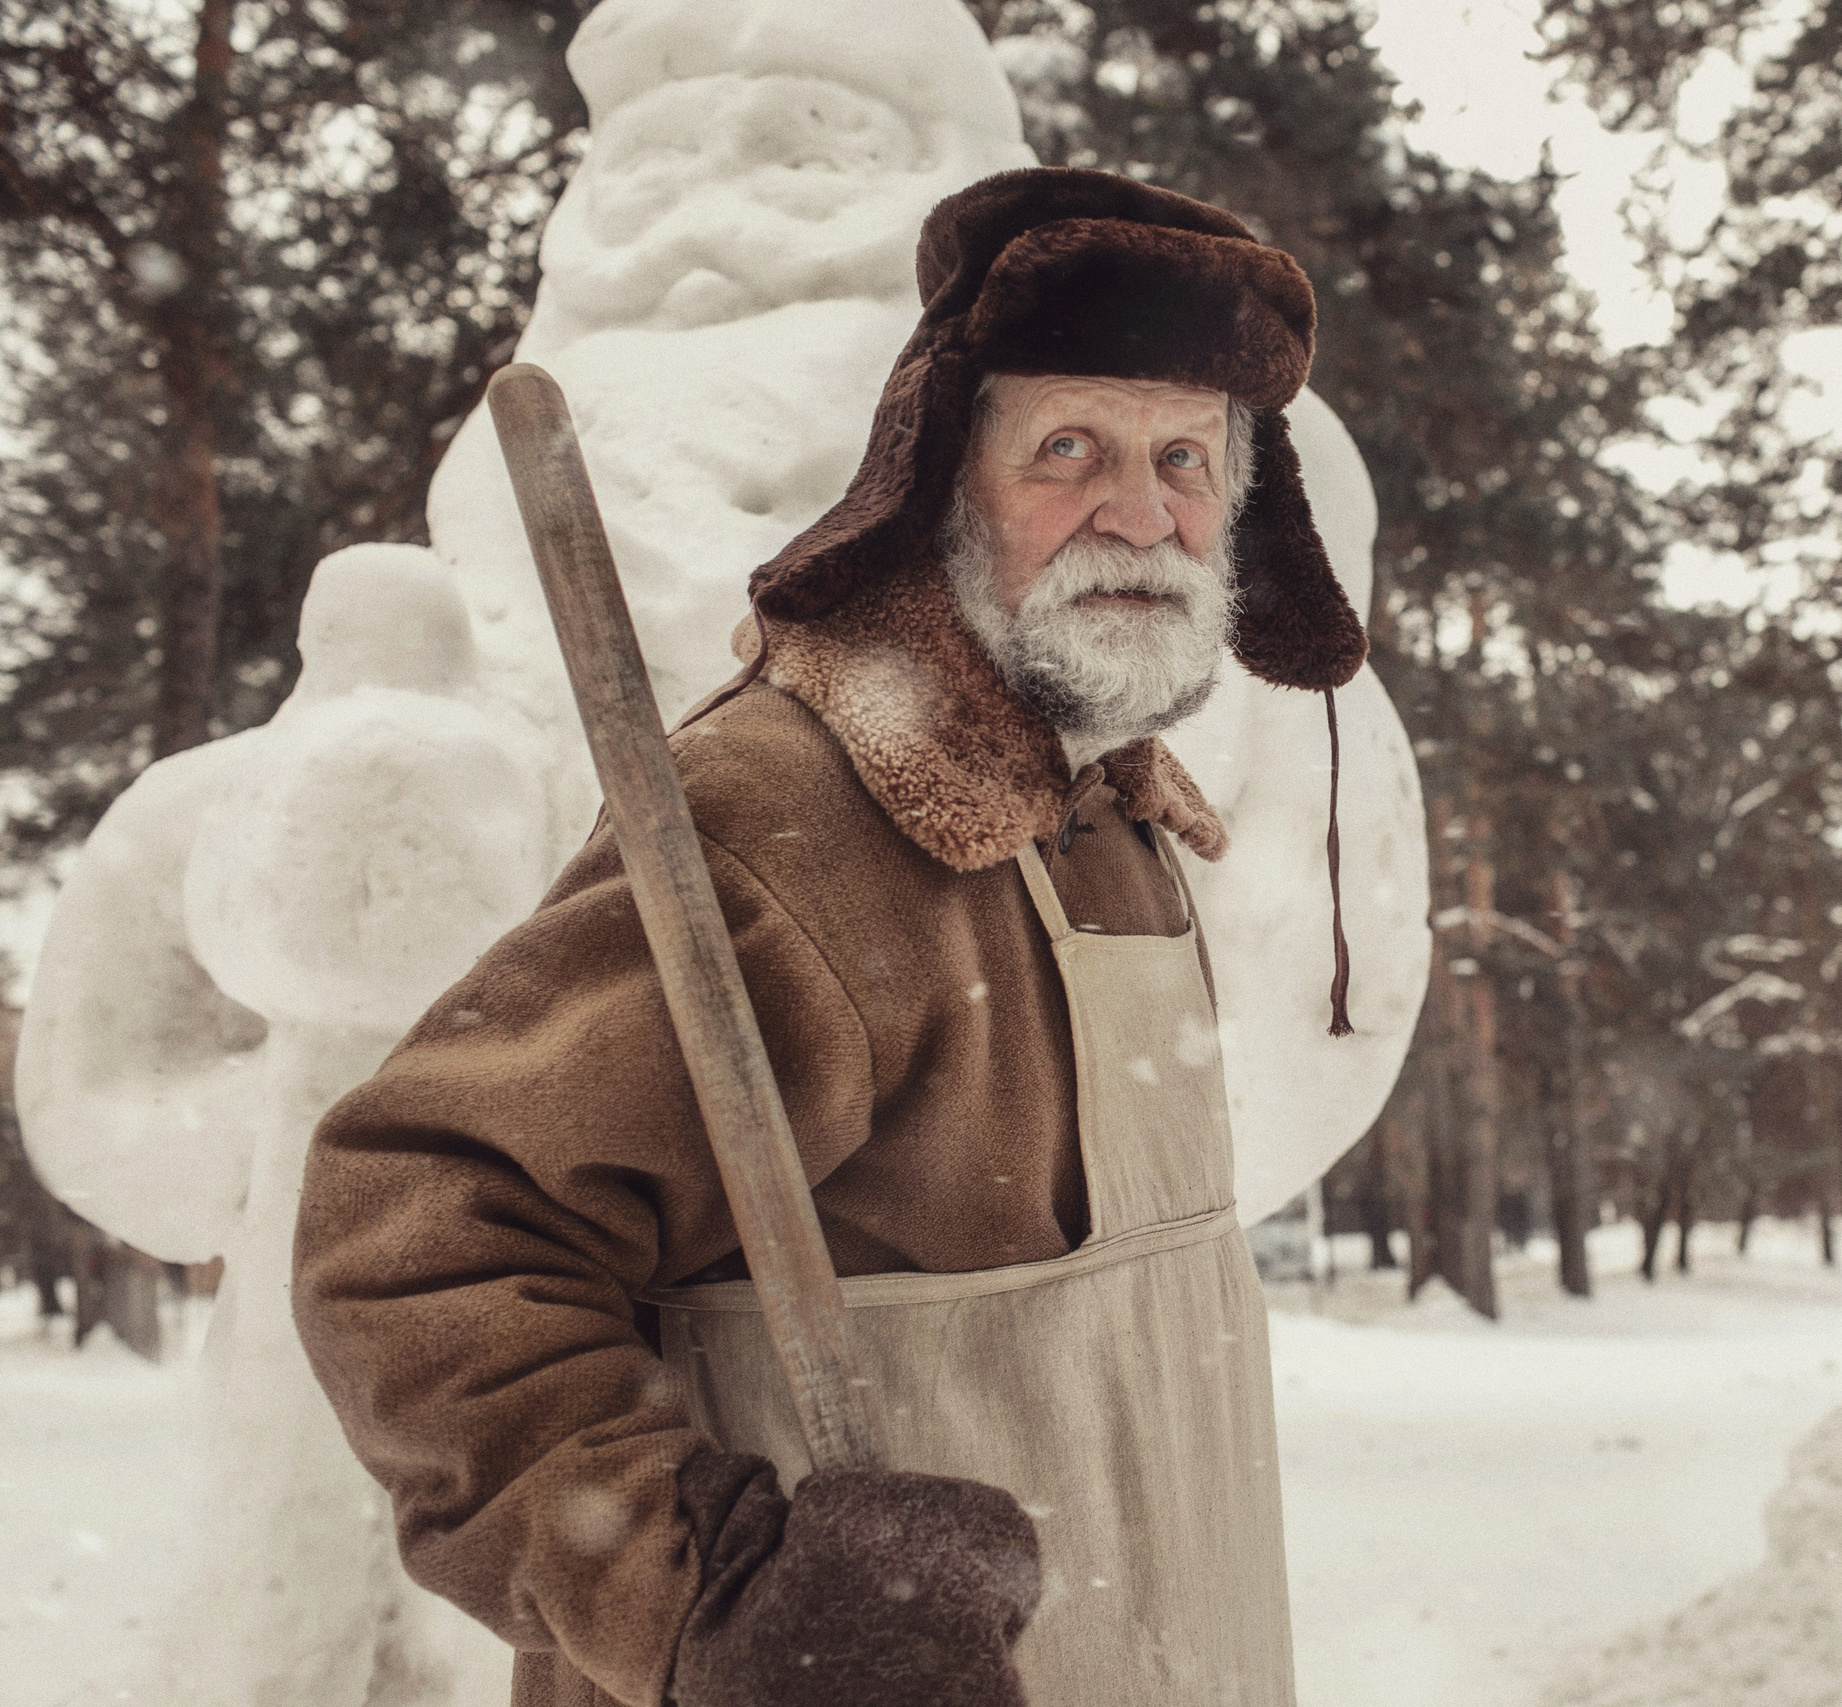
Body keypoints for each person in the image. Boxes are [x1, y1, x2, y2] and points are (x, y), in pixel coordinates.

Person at [291, 167, 1369, 1707]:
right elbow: (419, 1226)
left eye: (1185, 457)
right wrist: (707, 1593)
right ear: (940, 485)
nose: (1142, 511)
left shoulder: (1118, 817)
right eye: (1069, 447)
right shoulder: (791, 817)